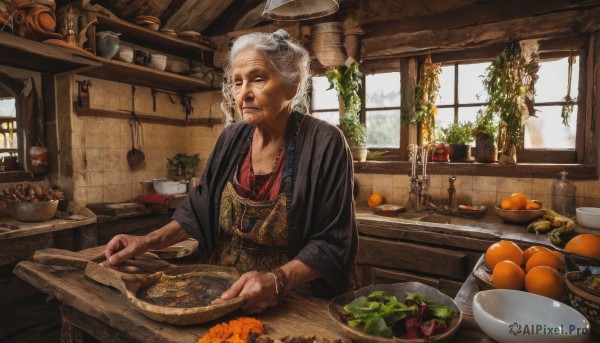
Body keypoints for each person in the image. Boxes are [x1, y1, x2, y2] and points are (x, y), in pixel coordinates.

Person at [104, 29, 358, 314]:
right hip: (224, 292)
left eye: (257, 79)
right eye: (237, 83)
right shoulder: (231, 138)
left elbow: (333, 241)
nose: (244, 94)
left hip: (298, 299)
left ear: (292, 86)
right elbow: (200, 207)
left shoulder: (325, 141)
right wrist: (145, 242)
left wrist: (277, 280)